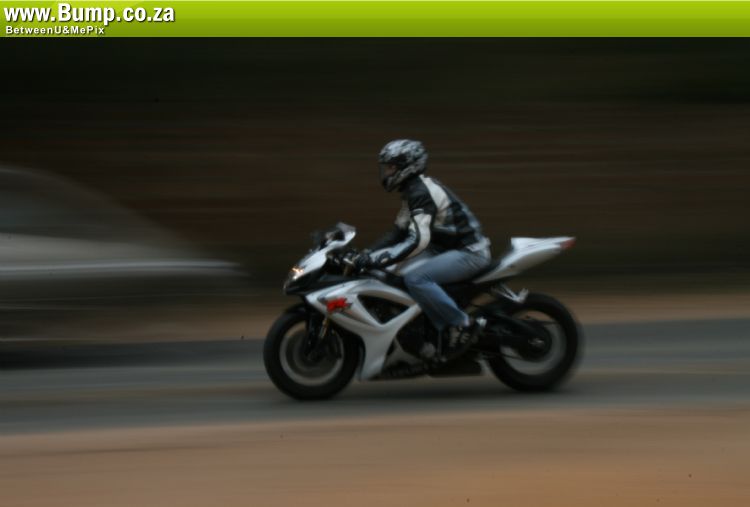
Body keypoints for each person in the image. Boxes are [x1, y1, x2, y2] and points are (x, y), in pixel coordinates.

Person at [355, 139, 491, 362]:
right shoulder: (412, 191)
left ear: (407, 166)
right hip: (444, 250)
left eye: (391, 167)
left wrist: (381, 258)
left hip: (469, 252)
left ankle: (463, 324)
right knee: (390, 272)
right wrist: (366, 254)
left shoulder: (420, 192)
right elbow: (397, 233)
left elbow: (418, 240)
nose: (386, 172)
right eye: (386, 167)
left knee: (416, 279)